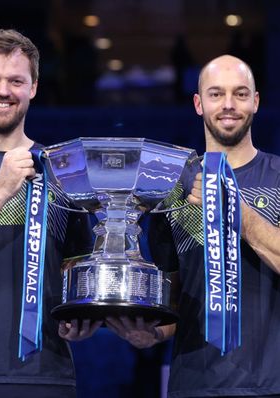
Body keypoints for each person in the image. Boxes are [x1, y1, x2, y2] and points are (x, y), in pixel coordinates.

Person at [106, 54, 280, 397]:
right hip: (195, 385)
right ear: (198, 104)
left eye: (240, 94)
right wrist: (153, 332)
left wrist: (237, 212)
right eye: (216, 94)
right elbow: (173, 296)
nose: (228, 105)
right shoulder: (172, 189)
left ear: (256, 102)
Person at [0, 28, 101, 398]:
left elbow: (79, 267)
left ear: (33, 87)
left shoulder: (66, 172)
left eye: (16, 80)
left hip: (45, 376)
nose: (3, 91)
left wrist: (84, 315)